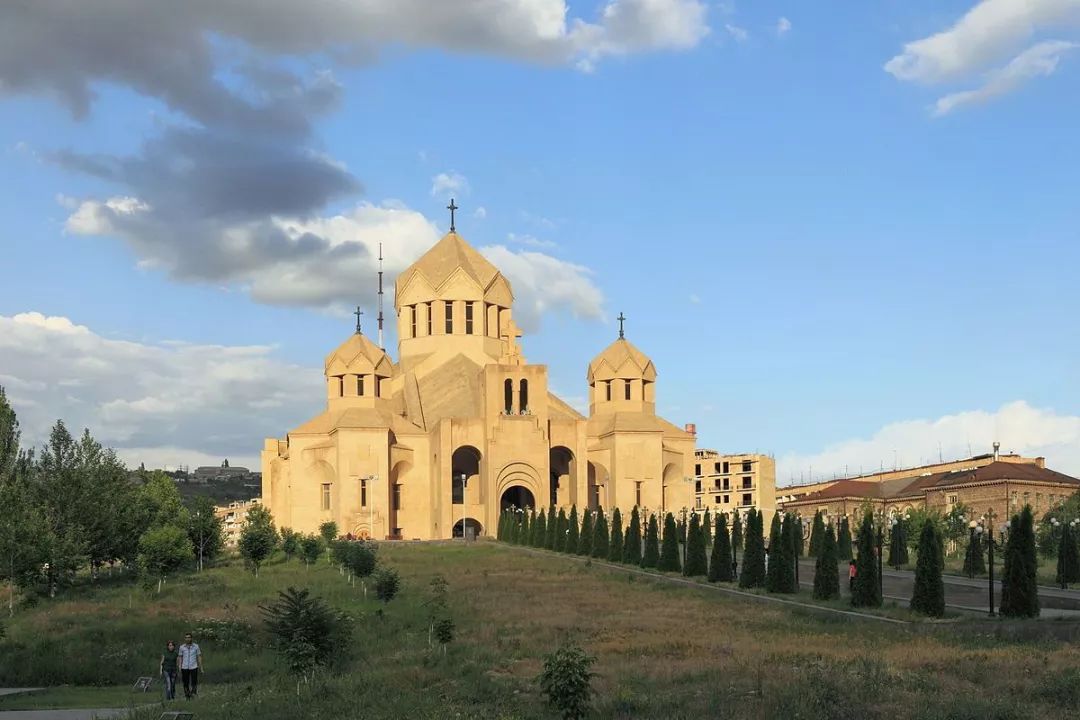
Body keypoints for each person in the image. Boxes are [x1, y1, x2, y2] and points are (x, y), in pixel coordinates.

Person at [178, 632, 202, 699]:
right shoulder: (182, 647)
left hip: (193, 666)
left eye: (189, 637)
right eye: (186, 638)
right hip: (185, 666)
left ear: (191, 638)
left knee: (194, 682)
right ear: (185, 639)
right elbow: (180, 657)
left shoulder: (196, 646)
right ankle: (187, 696)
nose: (187, 639)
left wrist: (200, 666)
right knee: (186, 682)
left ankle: (193, 693)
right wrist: (180, 666)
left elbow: (199, 656)